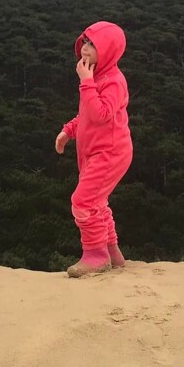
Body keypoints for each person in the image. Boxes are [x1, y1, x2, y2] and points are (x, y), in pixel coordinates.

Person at [54, 21, 133, 277]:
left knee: (83, 201)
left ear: (108, 50)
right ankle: (112, 253)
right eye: (85, 42)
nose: (85, 49)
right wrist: (68, 131)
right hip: (95, 151)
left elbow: (100, 115)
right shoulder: (97, 77)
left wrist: (86, 82)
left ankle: (96, 256)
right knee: (97, 201)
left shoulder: (113, 82)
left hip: (110, 153)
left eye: (93, 44)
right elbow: (86, 115)